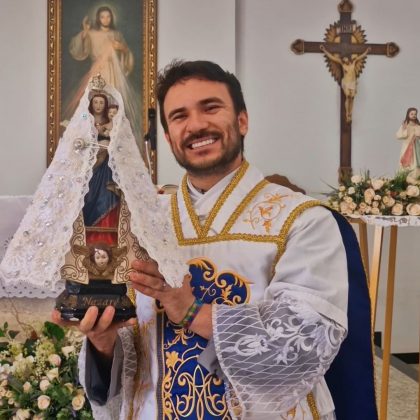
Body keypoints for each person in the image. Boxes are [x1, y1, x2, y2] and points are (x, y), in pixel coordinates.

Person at [53, 60, 377, 419]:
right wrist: (102, 341)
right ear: (168, 137)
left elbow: (300, 350)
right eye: (179, 116)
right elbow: (133, 352)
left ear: (242, 121)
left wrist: (191, 309)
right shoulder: (143, 222)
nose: (196, 125)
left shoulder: (302, 220)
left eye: (210, 107)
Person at [65, 5, 141, 144]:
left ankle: (113, 134)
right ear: (98, 19)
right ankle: (94, 134)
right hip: (98, 71)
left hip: (114, 71)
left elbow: (126, 53)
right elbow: (78, 48)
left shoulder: (116, 34)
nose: (105, 19)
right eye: (102, 16)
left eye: (108, 16)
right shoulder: (92, 33)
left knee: (114, 102)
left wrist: (122, 48)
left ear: (111, 18)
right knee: (94, 101)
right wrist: (85, 31)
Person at [83, 92, 119, 245]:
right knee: (89, 195)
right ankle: (88, 238)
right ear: (91, 104)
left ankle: (107, 237)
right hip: (92, 164)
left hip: (107, 167)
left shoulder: (109, 121)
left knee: (107, 195)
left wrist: (108, 146)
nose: (98, 105)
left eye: (101, 103)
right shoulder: (85, 121)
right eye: (95, 102)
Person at [320, 45, 371, 123]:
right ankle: (347, 114)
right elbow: (332, 57)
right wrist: (324, 50)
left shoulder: (353, 62)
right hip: (346, 83)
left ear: (348, 58)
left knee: (352, 98)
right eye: (343, 59)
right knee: (348, 97)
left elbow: (361, 56)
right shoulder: (342, 64)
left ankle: (350, 113)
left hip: (353, 83)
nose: (344, 59)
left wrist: (367, 51)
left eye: (345, 58)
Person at [396, 107, 420, 173]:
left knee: (415, 163)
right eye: (412, 114)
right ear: (408, 115)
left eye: (415, 114)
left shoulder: (418, 126)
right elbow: (399, 136)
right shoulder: (405, 125)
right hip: (406, 147)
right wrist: (404, 129)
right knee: (406, 165)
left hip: (416, 148)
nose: (414, 116)